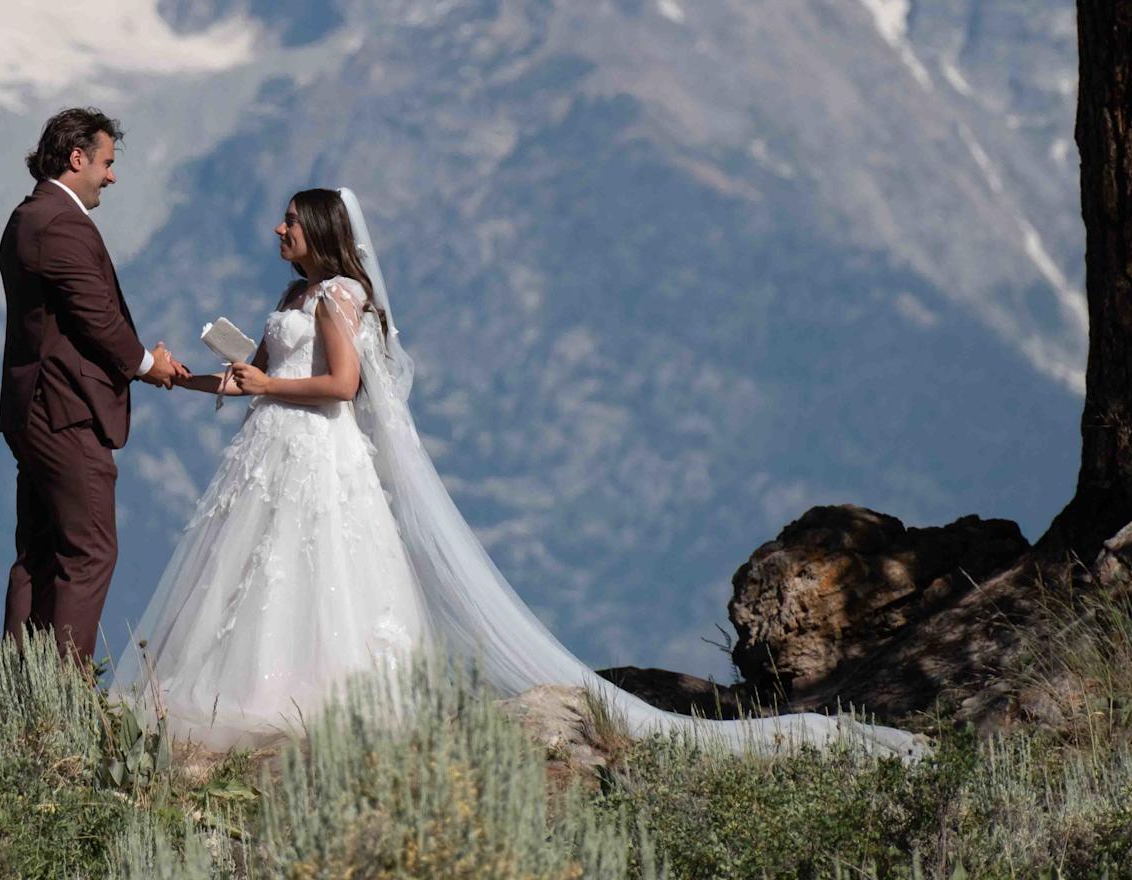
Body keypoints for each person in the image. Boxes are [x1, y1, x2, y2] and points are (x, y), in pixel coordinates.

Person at [111, 186, 923, 757]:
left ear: (319, 228)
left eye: (289, 222)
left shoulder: (341, 296)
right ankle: (242, 691)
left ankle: (311, 704)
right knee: (253, 575)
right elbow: (253, 372)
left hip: (317, 453)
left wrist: (266, 387)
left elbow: (341, 387)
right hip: (271, 454)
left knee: (316, 574)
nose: (277, 232)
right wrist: (183, 378)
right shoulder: (296, 291)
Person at [0, 107, 187, 662]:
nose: (112, 175)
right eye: (106, 162)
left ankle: (18, 687)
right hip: (64, 411)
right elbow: (95, 316)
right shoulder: (61, 222)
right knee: (90, 550)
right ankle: (60, 694)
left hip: (30, 408)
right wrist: (147, 365)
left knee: (40, 552)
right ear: (77, 158)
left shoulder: (27, 216)